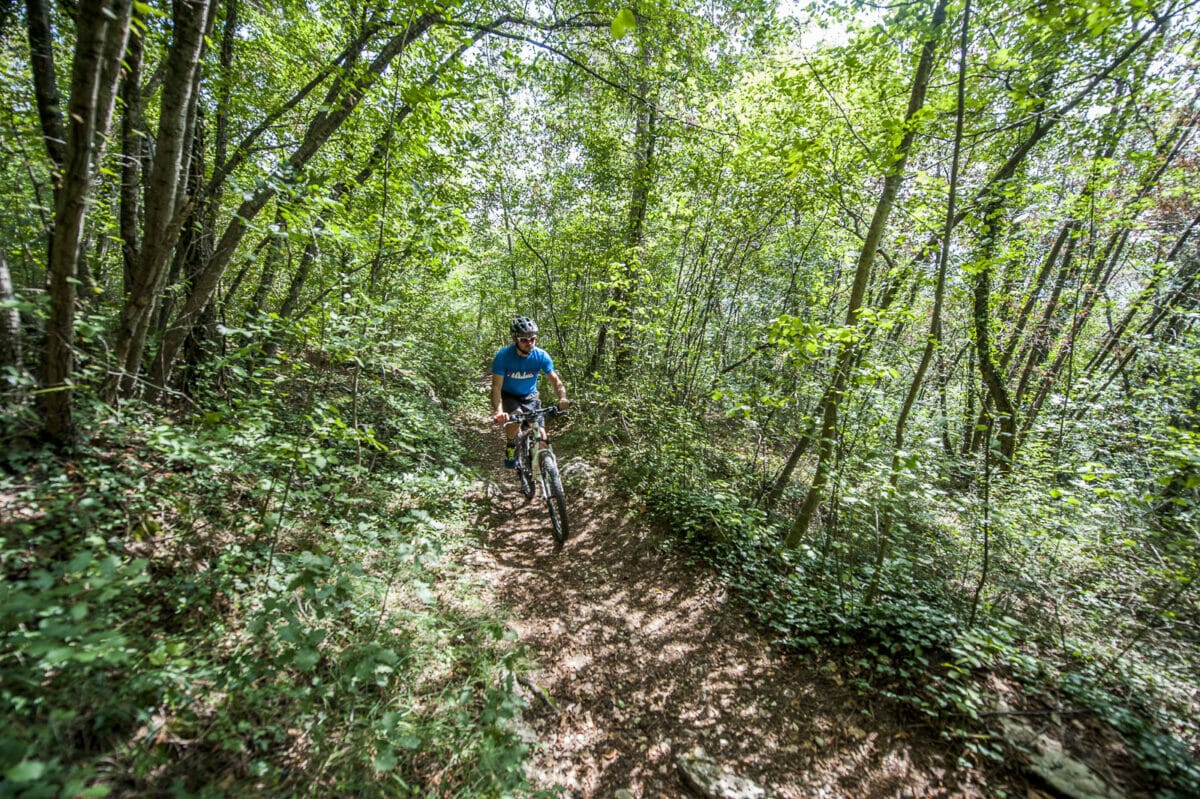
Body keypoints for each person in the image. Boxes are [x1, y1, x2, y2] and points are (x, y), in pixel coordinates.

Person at [491, 316, 570, 467]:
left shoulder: (541, 356)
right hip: (509, 395)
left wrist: (562, 398)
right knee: (517, 417)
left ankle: (547, 471)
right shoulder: (503, 357)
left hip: (530, 396)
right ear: (515, 339)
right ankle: (511, 445)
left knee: (541, 435)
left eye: (532, 339)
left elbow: (555, 380)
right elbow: (496, 388)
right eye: (524, 340)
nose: (529, 343)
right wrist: (499, 410)